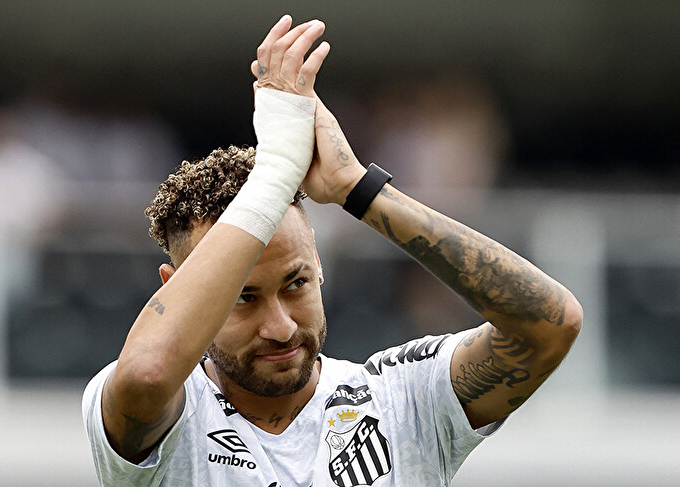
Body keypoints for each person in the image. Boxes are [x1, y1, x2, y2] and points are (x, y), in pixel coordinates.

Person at [82, 15, 582, 487]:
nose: (281, 327)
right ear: (176, 289)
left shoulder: (402, 398)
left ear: (319, 264)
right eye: (243, 296)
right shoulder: (165, 412)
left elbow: (550, 324)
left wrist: (356, 189)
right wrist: (276, 173)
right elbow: (148, 374)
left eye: (296, 284)